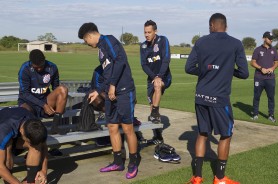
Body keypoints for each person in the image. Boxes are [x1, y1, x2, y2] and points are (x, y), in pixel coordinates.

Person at [185, 13, 249, 184]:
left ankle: (197, 177)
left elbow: (189, 67)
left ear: (211, 25)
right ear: (225, 26)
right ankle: (220, 178)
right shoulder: (235, 43)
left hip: (200, 96)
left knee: (202, 133)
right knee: (226, 134)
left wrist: (207, 70)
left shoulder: (201, 42)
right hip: (220, 98)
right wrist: (227, 70)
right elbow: (244, 73)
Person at [78, 22, 140, 179]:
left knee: (127, 129)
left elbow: (120, 61)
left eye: (85, 40)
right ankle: (118, 162)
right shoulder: (100, 49)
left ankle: (133, 162)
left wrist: (112, 86)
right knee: (112, 127)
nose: (86, 43)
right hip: (110, 93)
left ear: (90, 35)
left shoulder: (109, 40)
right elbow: (107, 72)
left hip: (124, 92)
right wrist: (98, 91)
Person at [18, 49, 68, 135]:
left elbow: (56, 87)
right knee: (25, 111)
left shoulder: (52, 67)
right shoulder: (25, 69)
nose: (39, 69)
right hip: (28, 102)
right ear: (31, 62)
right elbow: (24, 93)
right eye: (36, 67)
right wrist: (43, 105)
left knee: (63, 89)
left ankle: (55, 127)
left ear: (44, 59)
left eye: (41, 65)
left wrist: (58, 104)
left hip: (45, 100)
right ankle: (28, 137)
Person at [140, 20, 172, 144]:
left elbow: (166, 59)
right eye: (145, 32)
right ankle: (157, 136)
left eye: (149, 32)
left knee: (158, 85)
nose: (146, 35)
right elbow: (143, 65)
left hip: (164, 77)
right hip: (151, 78)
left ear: (155, 31)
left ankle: (155, 111)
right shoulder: (143, 46)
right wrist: (154, 76)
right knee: (152, 107)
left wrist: (159, 76)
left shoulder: (163, 40)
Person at [0, 107, 48, 184]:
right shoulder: (3, 131)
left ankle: (29, 181)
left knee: (36, 146)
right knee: (7, 147)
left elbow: (44, 146)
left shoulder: (36, 125)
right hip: (4, 133)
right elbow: (0, 167)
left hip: (14, 134)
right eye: (29, 142)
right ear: (22, 131)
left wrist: (44, 170)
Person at [250, 31, 278, 123]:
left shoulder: (274, 50)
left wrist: (272, 68)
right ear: (264, 38)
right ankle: (255, 114)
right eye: (269, 38)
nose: (271, 40)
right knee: (256, 96)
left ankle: (271, 115)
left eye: (272, 38)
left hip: (270, 78)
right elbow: (252, 62)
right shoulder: (257, 49)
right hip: (259, 78)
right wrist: (261, 68)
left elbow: (276, 62)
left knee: (271, 97)